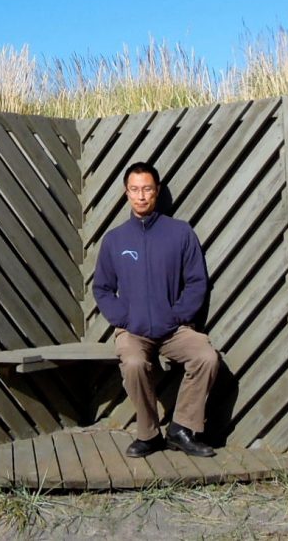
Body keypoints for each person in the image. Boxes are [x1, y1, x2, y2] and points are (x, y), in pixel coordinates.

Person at [93, 162, 220, 458]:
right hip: (133, 331)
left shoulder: (180, 233)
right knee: (134, 364)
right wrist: (124, 318)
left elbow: (197, 282)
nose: (141, 196)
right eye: (135, 189)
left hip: (174, 329)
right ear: (126, 193)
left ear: (157, 191)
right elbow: (102, 289)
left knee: (207, 357)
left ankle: (182, 429)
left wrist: (178, 316)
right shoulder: (115, 240)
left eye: (147, 189)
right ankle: (149, 435)